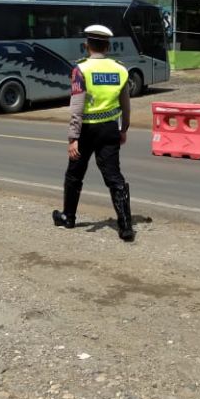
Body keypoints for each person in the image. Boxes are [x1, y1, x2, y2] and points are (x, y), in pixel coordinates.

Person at [52, 24, 135, 241]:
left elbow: (76, 108)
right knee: (114, 177)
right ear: (107, 46)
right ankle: (126, 226)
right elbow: (125, 104)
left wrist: (73, 138)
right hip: (109, 129)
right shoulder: (120, 69)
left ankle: (68, 217)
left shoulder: (81, 70)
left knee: (74, 174)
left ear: (86, 45)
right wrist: (123, 128)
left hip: (86, 131)